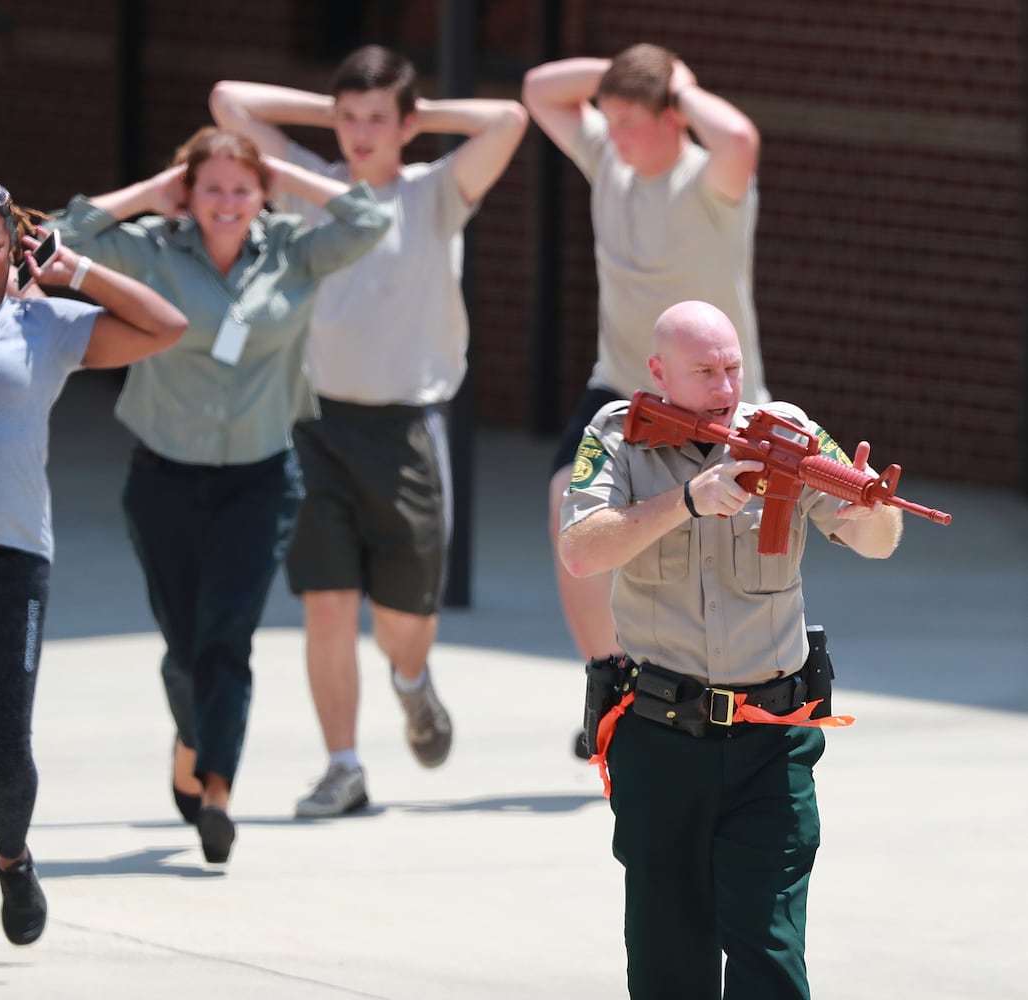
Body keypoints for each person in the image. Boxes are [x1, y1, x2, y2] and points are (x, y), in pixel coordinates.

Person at [50, 127, 392, 860]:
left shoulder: (295, 252)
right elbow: (56, 238)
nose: (229, 203)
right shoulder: (151, 248)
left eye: (243, 188)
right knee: (184, 645)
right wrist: (149, 192)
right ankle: (191, 740)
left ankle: (217, 795)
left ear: (261, 193)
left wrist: (284, 174)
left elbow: (371, 219)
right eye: (213, 188)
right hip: (164, 476)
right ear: (189, 192)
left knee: (227, 639)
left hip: (260, 478)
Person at [210, 46, 528, 817]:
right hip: (313, 424)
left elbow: (510, 118)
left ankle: (412, 682)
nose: (357, 132)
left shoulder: (433, 193)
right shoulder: (308, 188)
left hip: (406, 430)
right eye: (347, 117)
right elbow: (229, 97)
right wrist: (333, 111)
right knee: (327, 603)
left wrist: (415, 116)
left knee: (403, 627)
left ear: (406, 125)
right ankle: (342, 767)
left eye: (375, 119)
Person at [559, 300, 903, 999]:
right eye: (704, 371)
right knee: (669, 962)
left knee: (771, 956)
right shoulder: (619, 434)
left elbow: (876, 541)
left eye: (732, 368)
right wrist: (685, 500)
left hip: (769, 744)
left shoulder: (785, 432)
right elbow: (580, 549)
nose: (724, 387)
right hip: (661, 738)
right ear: (658, 372)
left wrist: (875, 511)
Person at [0, 177, 187, 970]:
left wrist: (73, 268)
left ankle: (12, 855)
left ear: (15, 250)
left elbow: (166, 326)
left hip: (10, 573)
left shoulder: (43, 324)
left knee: (1, 763)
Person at [523, 45, 770, 745]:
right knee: (564, 510)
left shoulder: (709, 182)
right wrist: (630, 71)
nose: (613, 131)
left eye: (630, 119)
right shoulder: (609, 160)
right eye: (608, 116)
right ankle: (612, 687)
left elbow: (741, 138)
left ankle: (718, 694)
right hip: (623, 390)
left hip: (712, 402)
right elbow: (541, 87)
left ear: (671, 117)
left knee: (711, 555)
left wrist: (681, 82)